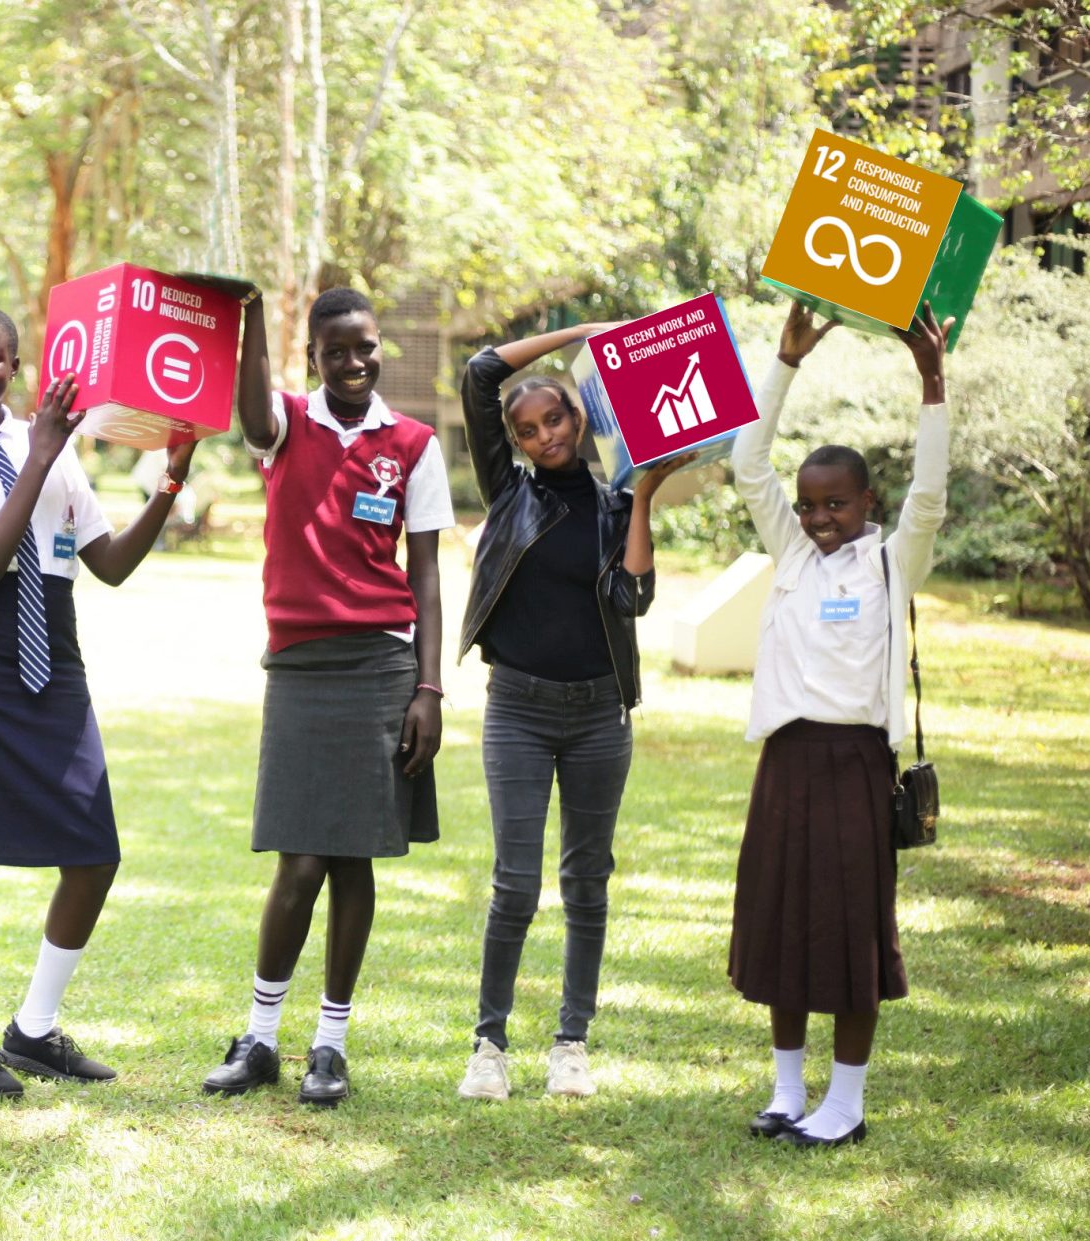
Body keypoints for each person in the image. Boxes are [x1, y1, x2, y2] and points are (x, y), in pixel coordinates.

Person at [0, 304, 193, 1097]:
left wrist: (172, 477)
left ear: (16, 365)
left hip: (53, 657)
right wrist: (41, 453)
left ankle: (32, 1028)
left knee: (95, 851)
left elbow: (111, 563)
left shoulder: (54, 449)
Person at [200, 285, 452, 1108]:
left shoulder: (413, 444)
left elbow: (426, 575)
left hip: (382, 667)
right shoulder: (286, 426)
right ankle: (261, 1038)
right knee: (298, 861)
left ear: (382, 348)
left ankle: (330, 1046)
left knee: (353, 862)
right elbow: (249, 407)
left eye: (366, 346)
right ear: (312, 357)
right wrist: (247, 317)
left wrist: (430, 687)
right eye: (336, 350)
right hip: (302, 668)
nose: (354, 361)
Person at [450, 323, 693, 1102]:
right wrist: (585, 333)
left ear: (579, 420)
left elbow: (634, 598)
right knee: (514, 885)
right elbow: (480, 372)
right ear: (514, 442)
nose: (542, 435)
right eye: (526, 429)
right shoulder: (509, 492)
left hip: (597, 717)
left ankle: (571, 1042)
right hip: (517, 709)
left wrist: (646, 496)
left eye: (554, 419)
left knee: (587, 880)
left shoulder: (615, 501)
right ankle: (489, 1045)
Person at [730, 301, 950, 1148]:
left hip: (857, 762)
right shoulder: (789, 553)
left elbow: (928, 495)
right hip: (787, 759)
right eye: (810, 505)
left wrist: (932, 380)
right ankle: (788, 1090)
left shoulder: (892, 561)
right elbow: (751, 463)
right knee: (781, 918)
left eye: (837, 505)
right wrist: (783, 366)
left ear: (866, 502)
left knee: (852, 928)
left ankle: (846, 1103)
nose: (821, 520)